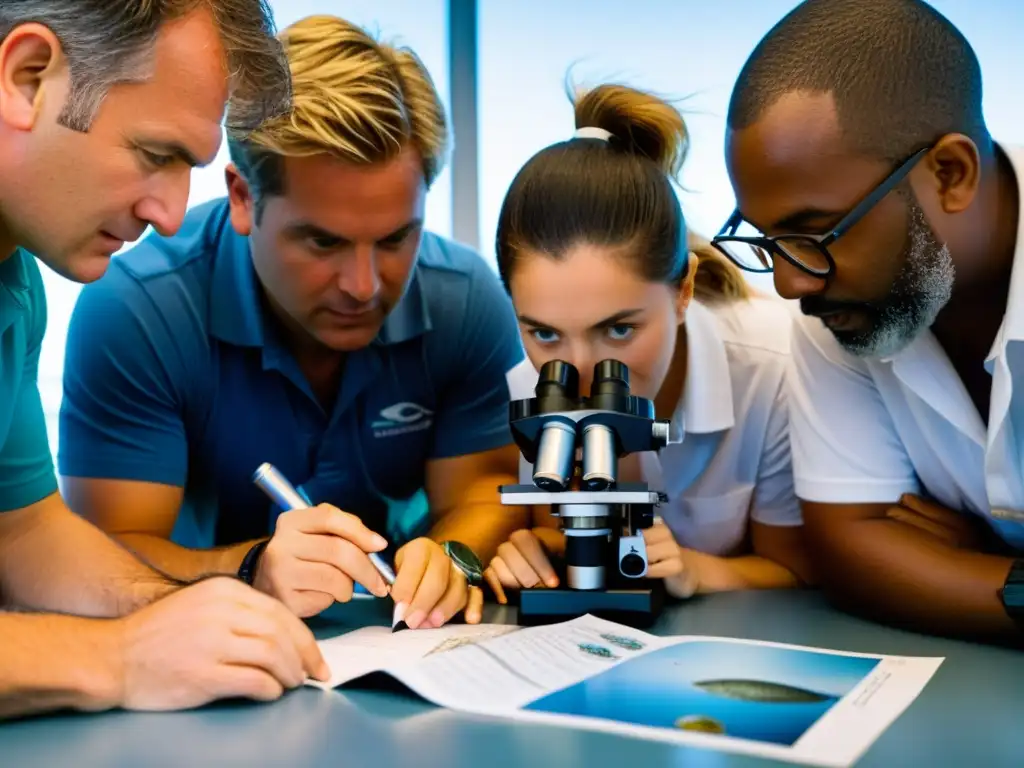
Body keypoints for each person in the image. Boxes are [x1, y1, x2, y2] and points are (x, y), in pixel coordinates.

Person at [58, 14, 528, 633]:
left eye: (394, 239)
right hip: (195, 655)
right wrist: (253, 569)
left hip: (404, 652)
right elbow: (103, 556)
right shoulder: (136, 309)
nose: (363, 286)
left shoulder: (465, 299)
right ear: (243, 197)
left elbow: (480, 496)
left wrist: (449, 558)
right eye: (322, 242)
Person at [0, 1, 330, 719]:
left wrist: (187, 615)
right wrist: (118, 659)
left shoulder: (15, 285)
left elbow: (22, 531)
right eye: (155, 155)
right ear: (26, 78)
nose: (173, 215)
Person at [713, 0, 1024, 644]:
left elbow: (900, 563)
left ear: (950, 173)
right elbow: (853, 552)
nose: (790, 283)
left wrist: (972, 565)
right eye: (769, 241)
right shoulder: (840, 311)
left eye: (814, 233)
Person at [482, 83, 814, 602]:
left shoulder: (771, 368)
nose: (580, 372)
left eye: (618, 329)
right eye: (544, 333)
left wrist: (696, 571)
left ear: (683, 291)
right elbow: (560, 532)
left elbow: (798, 573)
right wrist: (537, 552)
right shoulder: (532, 382)